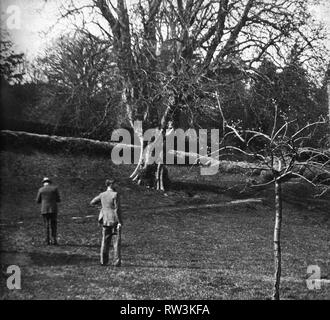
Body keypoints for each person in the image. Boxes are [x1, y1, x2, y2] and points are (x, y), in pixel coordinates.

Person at [90, 179, 123, 267]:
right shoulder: (115, 194)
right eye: (115, 184)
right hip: (114, 221)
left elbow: (92, 202)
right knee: (116, 243)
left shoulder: (102, 195)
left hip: (105, 220)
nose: (116, 185)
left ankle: (103, 261)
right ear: (111, 184)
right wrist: (120, 222)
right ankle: (116, 262)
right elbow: (117, 209)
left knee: (105, 241)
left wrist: (102, 209)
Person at [36, 177, 61, 245]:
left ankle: (47, 240)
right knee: (54, 224)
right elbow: (58, 199)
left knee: (46, 225)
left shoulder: (41, 189)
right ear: (50, 182)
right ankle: (54, 240)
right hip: (53, 209)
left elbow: (38, 200)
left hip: (44, 209)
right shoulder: (54, 189)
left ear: (43, 183)